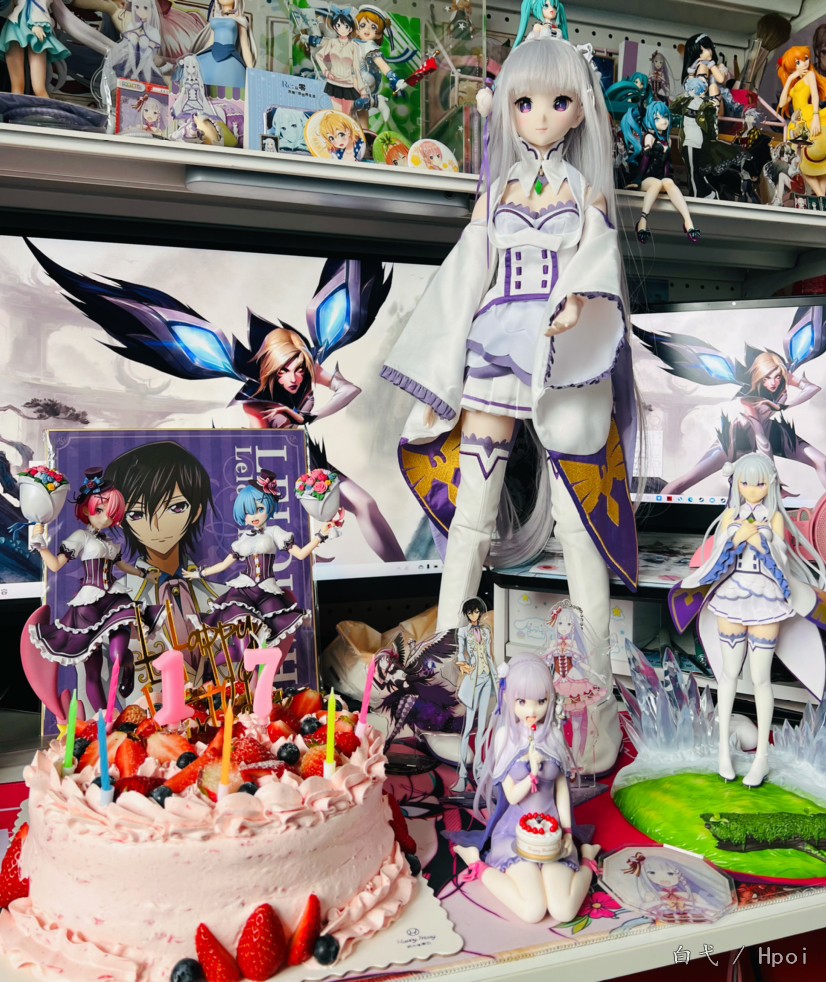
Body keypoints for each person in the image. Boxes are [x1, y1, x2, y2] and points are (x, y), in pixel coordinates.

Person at [381, 38, 638, 677]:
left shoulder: (587, 195)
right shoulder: (496, 195)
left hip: (558, 350)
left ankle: (593, 677)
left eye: (558, 102)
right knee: (473, 514)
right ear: (506, 110)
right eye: (526, 103)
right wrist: (439, 361)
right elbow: (466, 276)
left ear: (581, 110)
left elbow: (596, 258)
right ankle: (448, 667)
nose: (542, 116)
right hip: (495, 348)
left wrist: (577, 302)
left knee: (576, 519)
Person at [669, 454, 826, 788]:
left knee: (761, 679)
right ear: (736, 484)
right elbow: (718, 554)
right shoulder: (730, 515)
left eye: (759, 483)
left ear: (770, 484)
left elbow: (779, 557)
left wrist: (755, 538)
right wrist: (738, 537)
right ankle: (723, 752)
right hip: (732, 596)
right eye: (745, 483)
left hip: (766, 599)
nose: (752, 490)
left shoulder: (775, 518)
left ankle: (761, 759)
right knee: (727, 675)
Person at [450, 653, 600, 923]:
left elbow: (561, 789)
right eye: (522, 702)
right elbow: (511, 796)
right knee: (533, 910)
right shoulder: (505, 737)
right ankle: (475, 862)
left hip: (553, 834)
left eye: (541, 701)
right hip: (514, 834)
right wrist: (532, 773)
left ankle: (588, 858)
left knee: (563, 911)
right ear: (509, 699)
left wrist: (567, 831)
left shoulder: (553, 734)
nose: (532, 711)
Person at [23, 468, 153, 709]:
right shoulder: (80, 537)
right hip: (88, 604)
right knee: (92, 672)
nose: (106, 518)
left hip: (114, 599)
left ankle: (126, 662)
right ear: (86, 510)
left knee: (117, 654)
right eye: (100, 510)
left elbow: (122, 565)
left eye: (111, 513)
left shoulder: (110, 542)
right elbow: (55, 565)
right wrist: (40, 545)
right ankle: (105, 719)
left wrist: (144, 573)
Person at [183, 471, 334, 661]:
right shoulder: (243, 538)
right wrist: (199, 573)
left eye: (259, 508)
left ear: (269, 506)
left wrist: (320, 535)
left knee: (266, 637)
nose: (253, 516)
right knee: (241, 636)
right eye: (247, 512)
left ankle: (250, 667)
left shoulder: (274, 532)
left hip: (266, 592)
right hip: (244, 591)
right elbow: (223, 564)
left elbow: (301, 554)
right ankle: (227, 662)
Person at [103, 441, 222, 664]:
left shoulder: (222, 598)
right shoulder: (115, 604)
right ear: (120, 520)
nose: (157, 527)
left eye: (176, 507)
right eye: (137, 514)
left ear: (196, 511)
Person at [623, 101, 700, 243]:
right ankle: (642, 221)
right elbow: (645, 161)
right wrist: (637, 180)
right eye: (657, 118)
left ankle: (688, 222)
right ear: (650, 120)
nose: (663, 121)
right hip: (645, 179)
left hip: (659, 178)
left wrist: (666, 180)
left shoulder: (667, 140)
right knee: (657, 184)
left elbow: (666, 165)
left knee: (668, 181)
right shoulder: (649, 137)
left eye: (665, 117)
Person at [453, 597, 495, 792]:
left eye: (476, 611)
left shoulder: (486, 631)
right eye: (470, 612)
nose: (474, 615)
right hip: (473, 679)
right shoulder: (463, 632)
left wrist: (497, 677)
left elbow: (489, 655)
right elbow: (461, 654)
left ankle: (479, 771)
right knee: (468, 727)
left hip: (487, 679)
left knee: (482, 727)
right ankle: (462, 775)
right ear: (466, 614)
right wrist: (463, 665)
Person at [777, 45, 826, 201]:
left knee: (812, 160)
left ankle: (821, 196)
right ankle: (822, 197)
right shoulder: (794, 85)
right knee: (801, 162)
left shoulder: (810, 75)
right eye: (798, 62)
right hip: (799, 121)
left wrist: (816, 116)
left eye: (805, 59)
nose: (804, 63)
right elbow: (782, 103)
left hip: (810, 115)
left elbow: (815, 96)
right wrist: (790, 78)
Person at [191, 0, 256, 89]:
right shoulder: (215, 17)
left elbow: (245, 46)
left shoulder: (239, 18)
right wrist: (199, 54)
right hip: (212, 53)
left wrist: (252, 72)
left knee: (230, 84)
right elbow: (210, 42)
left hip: (230, 57)